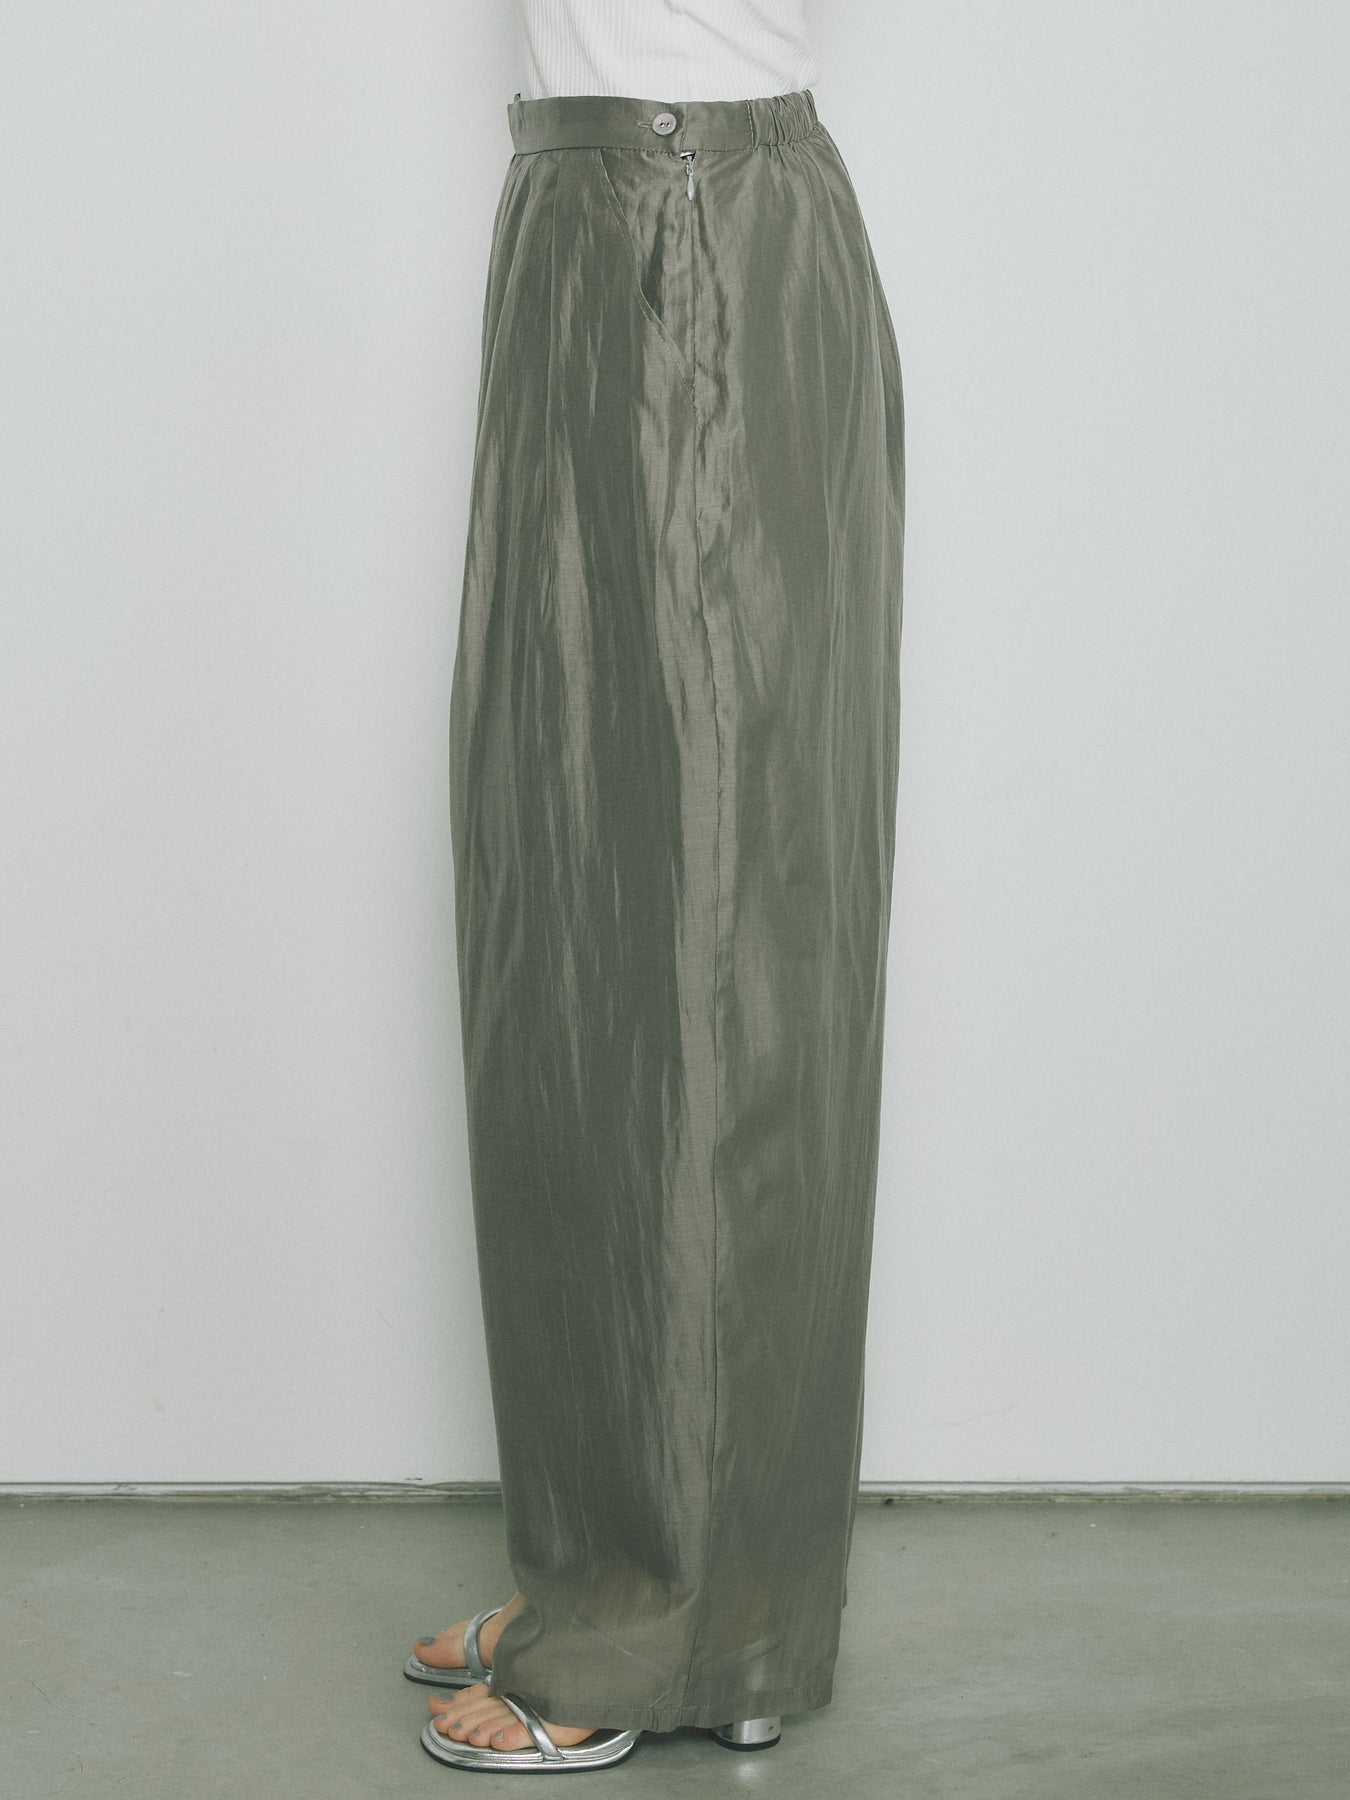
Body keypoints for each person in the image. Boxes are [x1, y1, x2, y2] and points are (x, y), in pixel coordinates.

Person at [409, 0, 906, 1772]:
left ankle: (675, 1622)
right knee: (577, 914)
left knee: (695, 933)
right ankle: (626, 1577)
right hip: (599, 213)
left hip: (680, 222)